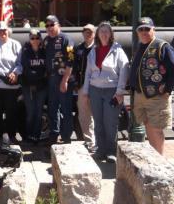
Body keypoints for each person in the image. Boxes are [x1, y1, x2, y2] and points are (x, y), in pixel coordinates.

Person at [129, 17, 174, 155]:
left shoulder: (162, 46)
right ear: (137, 32)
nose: (144, 32)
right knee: (148, 126)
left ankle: (160, 161)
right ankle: (155, 157)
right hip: (141, 95)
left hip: (156, 96)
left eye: (147, 29)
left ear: (153, 29)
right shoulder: (140, 47)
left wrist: (167, 90)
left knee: (156, 129)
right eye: (141, 29)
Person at [82, 22, 129, 163]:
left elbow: (125, 71)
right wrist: (86, 91)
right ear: (97, 34)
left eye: (106, 31)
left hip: (111, 91)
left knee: (110, 122)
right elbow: (88, 72)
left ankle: (111, 151)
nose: (104, 34)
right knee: (98, 122)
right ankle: (100, 150)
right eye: (101, 31)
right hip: (95, 90)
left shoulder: (117, 50)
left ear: (111, 34)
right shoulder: (94, 50)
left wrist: (120, 91)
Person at [0, 21, 22, 144]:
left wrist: (15, 73)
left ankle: (12, 136)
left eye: (5, 30)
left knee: (11, 113)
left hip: (11, 84)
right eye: (0, 31)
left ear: (9, 31)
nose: (3, 33)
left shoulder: (16, 44)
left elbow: (20, 63)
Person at [43, 15, 75, 144]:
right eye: (47, 25)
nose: (50, 28)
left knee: (66, 108)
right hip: (51, 79)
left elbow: (71, 60)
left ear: (58, 25)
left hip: (64, 79)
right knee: (52, 108)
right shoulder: (46, 41)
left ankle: (66, 137)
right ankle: (53, 135)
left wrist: (65, 80)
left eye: (52, 25)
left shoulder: (66, 39)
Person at [21, 29, 47, 144]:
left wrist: (40, 76)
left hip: (42, 87)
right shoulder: (25, 52)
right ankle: (27, 136)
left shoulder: (44, 52)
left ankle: (35, 136)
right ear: (29, 39)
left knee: (39, 112)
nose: (35, 40)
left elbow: (47, 68)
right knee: (30, 112)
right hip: (28, 87)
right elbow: (26, 69)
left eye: (37, 38)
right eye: (32, 38)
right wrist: (38, 76)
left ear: (40, 39)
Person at [74, 24, 96, 151]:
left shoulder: (98, 48)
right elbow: (74, 67)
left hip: (96, 86)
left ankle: (99, 142)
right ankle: (89, 142)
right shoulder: (79, 48)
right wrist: (75, 83)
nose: (87, 34)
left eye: (90, 32)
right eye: (85, 31)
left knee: (97, 115)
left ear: (94, 33)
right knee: (84, 115)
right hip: (82, 85)